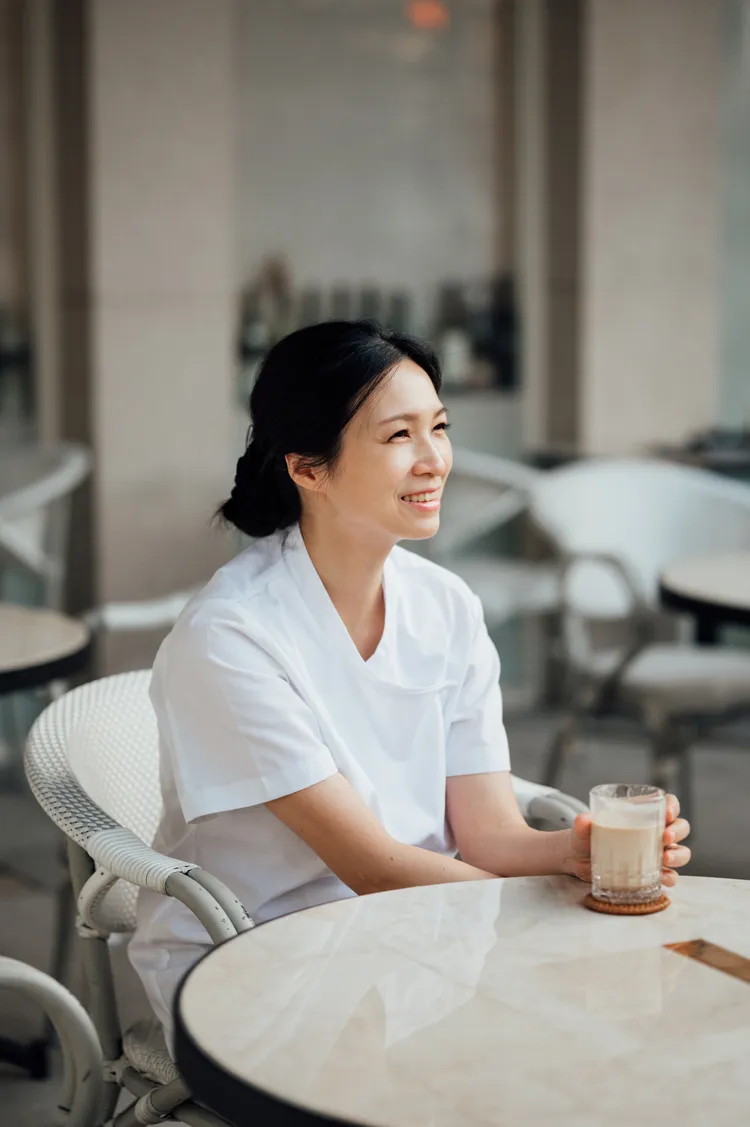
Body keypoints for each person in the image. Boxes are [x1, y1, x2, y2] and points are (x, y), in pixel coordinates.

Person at [128, 320, 690, 1048]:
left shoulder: (446, 607)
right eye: (398, 436)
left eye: (440, 427)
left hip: (410, 932)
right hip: (257, 959)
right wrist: (549, 921)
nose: (434, 460)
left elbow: (488, 832)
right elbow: (374, 867)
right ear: (307, 467)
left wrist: (573, 854)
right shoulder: (231, 636)